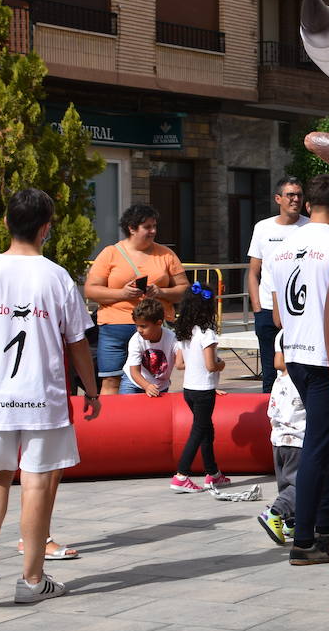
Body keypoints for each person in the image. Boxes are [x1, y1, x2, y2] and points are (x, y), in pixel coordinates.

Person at [0, 189, 101, 605]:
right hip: (43, 395)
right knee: (36, 482)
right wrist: (91, 390)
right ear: (46, 227)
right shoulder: (55, 276)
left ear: (6, 222)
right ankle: (32, 579)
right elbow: (76, 342)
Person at [269, 174, 329, 565]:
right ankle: (304, 539)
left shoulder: (283, 245)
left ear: (307, 204)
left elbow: (276, 308)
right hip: (325, 356)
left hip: (297, 351)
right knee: (318, 444)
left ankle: (323, 526)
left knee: (325, 440)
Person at [84, 204, 189, 395]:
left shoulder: (166, 254)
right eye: (147, 227)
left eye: (155, 226)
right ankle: (112, 423)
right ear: (131, 228)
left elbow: (184, 290)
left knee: (154, 381)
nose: (153, 231)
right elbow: (90, 290)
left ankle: (148, 423)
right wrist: (122, 294)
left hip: (156, 329)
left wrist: (161, 292)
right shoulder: (110, 253)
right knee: (110, 380)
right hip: (115, 327)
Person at [247, 177, 309, 393]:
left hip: (298, 311)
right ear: (278, 199)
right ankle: (268, 421)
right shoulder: (263, 228)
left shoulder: (310, 227)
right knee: (269, 371)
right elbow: (254, 271)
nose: (295, 199)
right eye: (290, 195)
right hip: (266, 309)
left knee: (298, 368)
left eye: (299, 195)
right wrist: (257, 307)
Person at [169, 282, 230, 494]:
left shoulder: (184, 332)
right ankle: (181, 475)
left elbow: (179, 364)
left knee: (205, 430)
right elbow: (211, 365)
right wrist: (222, 363)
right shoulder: (207, 334)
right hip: (204, 390)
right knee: (198, 431)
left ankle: (213, 473)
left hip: (189, 389)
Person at [259, 334, 302, 545]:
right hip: (298, 441)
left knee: (285, 484)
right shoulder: (301, 381)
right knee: (301, 484)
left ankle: (290, 523)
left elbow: (271, 414)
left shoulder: (279, 380)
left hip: (278, 441)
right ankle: (274, 512)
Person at [123, 297, 179, 398]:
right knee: (127, 410)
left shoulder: (172, 339)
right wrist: (147, 386)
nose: (139, 330)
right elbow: (134, 371)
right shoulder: (136, 340)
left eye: (143, 326)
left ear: (159, 323)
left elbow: (186, 363)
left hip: (159, 386)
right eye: (137, 326)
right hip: (133, 382)